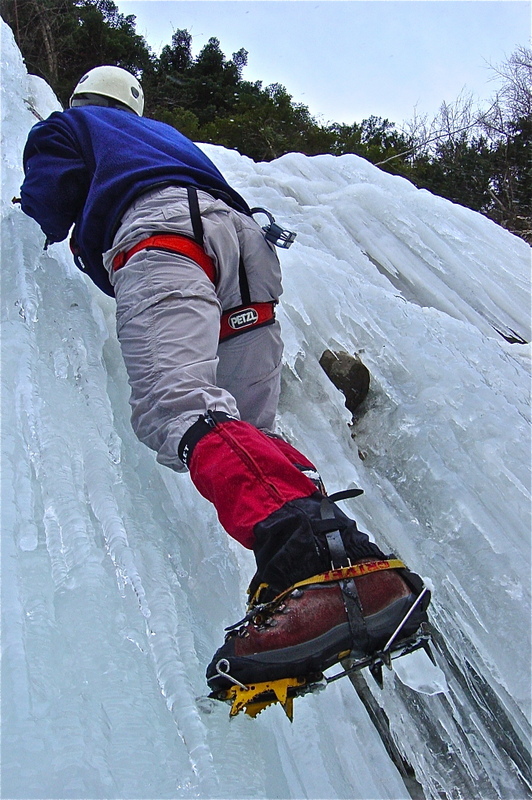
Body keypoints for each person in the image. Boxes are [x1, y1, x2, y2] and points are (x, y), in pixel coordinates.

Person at [19, 66, 429, 700]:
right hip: (245, 249)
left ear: (83, 100)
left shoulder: (76, 124)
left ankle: (323, 566)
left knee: (179, 406)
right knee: (243, 429)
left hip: (163, 233)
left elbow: (48, 189)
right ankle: (338, 557)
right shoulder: (165, 136)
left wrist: (28, 229)